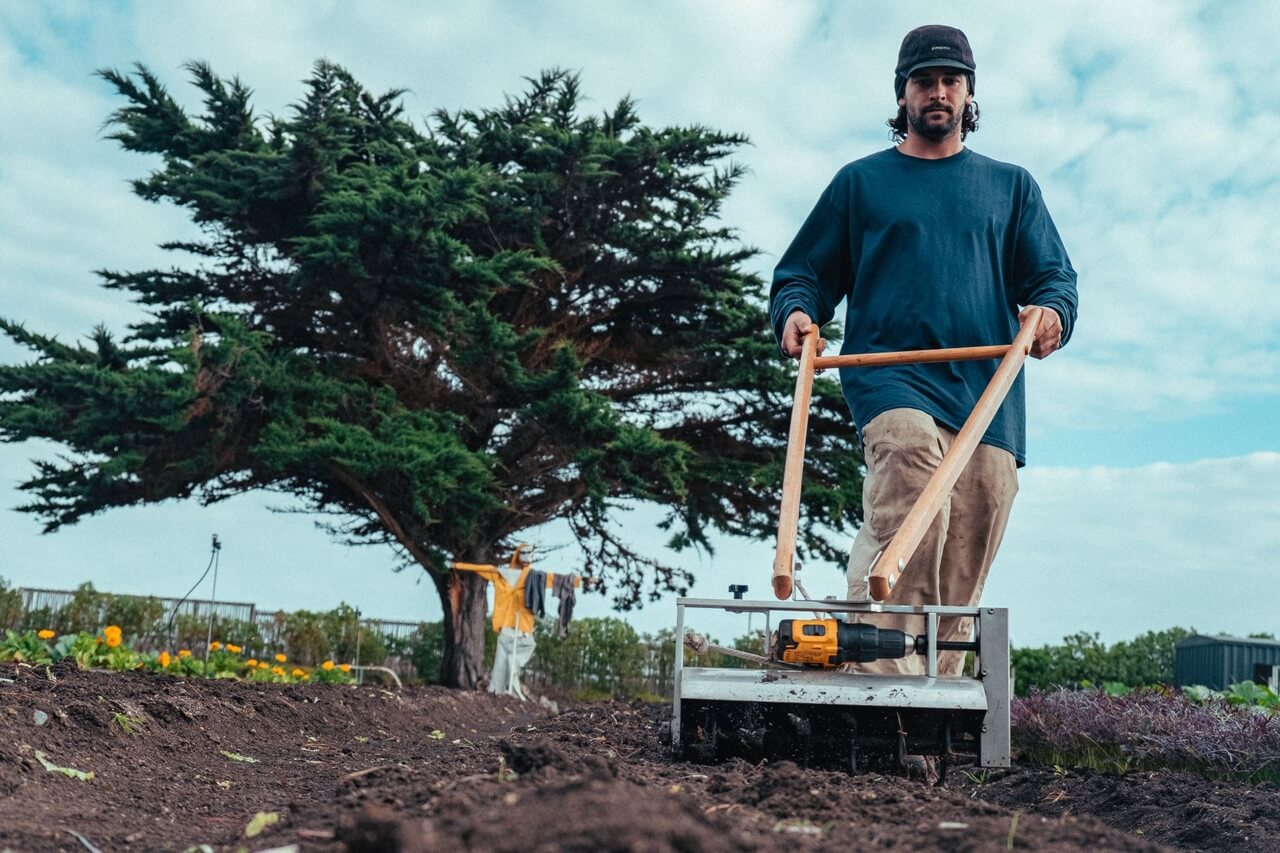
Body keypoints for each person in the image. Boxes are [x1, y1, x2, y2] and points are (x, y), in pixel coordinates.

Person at [769, 25, 1078, 679]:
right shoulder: (861, 184)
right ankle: (882, 683)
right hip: (890, 374)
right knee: (909, 478)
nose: (937, 93)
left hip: (986, 392)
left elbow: (1053, 278)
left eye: (950, 81)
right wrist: (796, 312)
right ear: (902, 95)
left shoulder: (1011, 187)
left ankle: (936, 693)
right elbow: (804, 272)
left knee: (977, 519)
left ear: (969, 94)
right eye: (923, 82)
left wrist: (1051, 314)